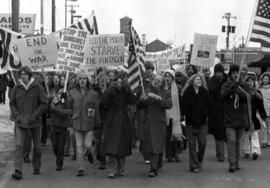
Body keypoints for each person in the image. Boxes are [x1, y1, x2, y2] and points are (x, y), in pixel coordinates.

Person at [10, 66, 47, 180]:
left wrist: (35, 115)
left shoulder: (38, 87)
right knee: (19, 145)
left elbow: (44, 103)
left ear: (29, 75)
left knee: (36, 146)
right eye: (21, 74)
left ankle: (36, 166)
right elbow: (12, 104)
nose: (22, 76)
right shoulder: (17, 87)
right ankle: (18, 170)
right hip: (21, 122)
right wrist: (17, 115)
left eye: (24, 74)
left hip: (34, 122)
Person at [100, 74, 138, 178]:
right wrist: (108, 92)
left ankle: (121, 169)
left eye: (121, 82)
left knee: (122, 146)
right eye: (118, 82)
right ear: (115, 82)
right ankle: (111, 170)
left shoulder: (126, 91)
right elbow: (103, 103)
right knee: (112, 146)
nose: (119, 84)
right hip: (112, 120)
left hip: (124, 120)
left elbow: (133, 100)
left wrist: (130, 90)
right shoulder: (110, 91)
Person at [138, 74, 172, 177]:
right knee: (151, 146)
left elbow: (168, 105)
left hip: (159, 122)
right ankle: (154, 167)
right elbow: (139, 106)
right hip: (148, 122)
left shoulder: (166, 92)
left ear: (162, 83)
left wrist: (157, 97)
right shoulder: (146, 90)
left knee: (157, 145)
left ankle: (155, 167)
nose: (156, 81)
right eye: (155, 79)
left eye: (159, 80)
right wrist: (143, 100)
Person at [67, 72, 100, 177]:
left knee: (88, 145)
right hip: (77, 121)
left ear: (87, 80)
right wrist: (65, 98)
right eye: (80, 78)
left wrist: (97, 122)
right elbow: (68, 107)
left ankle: (89, 152)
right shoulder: (72, 92)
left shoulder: (93, 93)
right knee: (79, 146)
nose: (82, 80)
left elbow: (96, 109)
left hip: (88, 122)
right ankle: (81, 168)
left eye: (84, 78)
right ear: (77, 81)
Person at [220, 64, 249, 173]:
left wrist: (239, 90)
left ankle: (236, 161)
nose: (235, 75)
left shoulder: (243, 84)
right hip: (229, 118)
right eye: (233, 73)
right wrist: (232, 87)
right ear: (230, 74)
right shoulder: (226, 84)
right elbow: (222, 96)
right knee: (231, 140)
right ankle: (231, 163)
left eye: (237, 73)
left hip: (241, 117)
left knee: (237, 142)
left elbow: (248, 97)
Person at [182, 74, 209, 173]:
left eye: (200, 79)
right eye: (197, 79)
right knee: (192, 144)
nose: (199, 81)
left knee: (202, 142)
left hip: (202, 122)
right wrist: (192, 117)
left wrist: (203, 115)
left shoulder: (205, 92)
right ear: (192, 81)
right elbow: (185, 108)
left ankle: (199, 158)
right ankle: (194, 165)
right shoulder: (187, 92)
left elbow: (208, 106)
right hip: (190, 122)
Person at [241, 75, 266, 160]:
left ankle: (255, 151)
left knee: (254, 134)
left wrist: (263, 115)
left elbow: (261, 106)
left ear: (254, 82)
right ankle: (246, 150)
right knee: (245, 135)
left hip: (254, 117)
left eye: (252, 81)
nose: (250, 83)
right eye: (248, 81)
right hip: (245, 116)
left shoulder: (257, 93)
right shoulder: (243, 92)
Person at [208, 64, 227, 162]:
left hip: (226, 110)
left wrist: (222, 81)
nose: (219, 74)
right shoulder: (212, 80)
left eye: (220, 72)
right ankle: (220, 154)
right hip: (215, 111)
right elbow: (212, 91)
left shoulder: (227, 79)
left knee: (224, 132)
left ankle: (223, 153)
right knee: (218, 132)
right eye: (217, 72)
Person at [50, 88, 71, 171]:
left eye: (62, 93)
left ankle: (59, 164)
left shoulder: (66, 103)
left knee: (61, 147)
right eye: (59, 93)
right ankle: (58, 157)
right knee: (55, 146)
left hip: (63, 128)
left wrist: (57, 110)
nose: (60, 95)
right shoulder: (53, 102)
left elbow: (67, 113)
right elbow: (49, 109)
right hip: (54, 127)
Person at [164, 69, 183, 162]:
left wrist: (181, 115)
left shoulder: (178, 88)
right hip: (165, 115)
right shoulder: (162, 87)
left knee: (175, 135)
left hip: (175, 114)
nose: (167, 78)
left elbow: (180, 102)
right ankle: (169, 154)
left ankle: (176, 153)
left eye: (169, 76)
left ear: (172, 78)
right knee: (167, 136)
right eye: (166, 76)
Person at [259, 72, 270, 148]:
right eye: (264, 79)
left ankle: (269, 141)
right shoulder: (259, 88)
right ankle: (263, 141)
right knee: (263, 127)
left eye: (266, 79)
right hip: (261, 110)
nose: (265, 80)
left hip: (269, 109)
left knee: (269, 127)